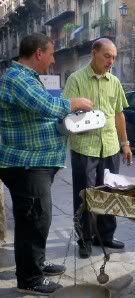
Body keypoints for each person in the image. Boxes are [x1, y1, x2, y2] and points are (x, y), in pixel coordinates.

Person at [0, 33, 93, 295]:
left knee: (38, 217)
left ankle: (36, 264)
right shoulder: (16, 78)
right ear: (38, 53)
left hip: (35, 163)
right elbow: (45, 105)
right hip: (25, 163)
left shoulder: (27, 78)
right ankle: (29, 280)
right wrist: (76, 103)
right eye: (51, 54)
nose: (53, 60)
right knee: (34, 219)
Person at [63, 38, 132, 259]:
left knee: (110, 193)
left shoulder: (114, 82)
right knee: (85, 196)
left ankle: (106, 235)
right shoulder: (76, 79)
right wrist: (79, 107)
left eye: (114, 57)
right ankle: (84, 239)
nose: (111, 61)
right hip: (85, 147)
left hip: (110, 147)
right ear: (94, 53)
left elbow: (119, 114)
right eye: (107, 56)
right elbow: (66, 114)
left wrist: (125, 144)